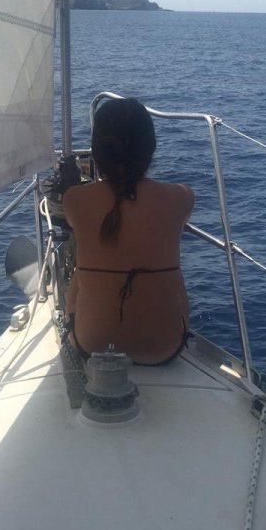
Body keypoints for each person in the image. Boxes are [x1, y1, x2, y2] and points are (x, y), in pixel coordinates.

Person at [63, 97, 193, 365]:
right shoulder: (181, 198)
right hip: (165, 348)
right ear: (151, 148)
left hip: (91, 345)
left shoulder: (74, 201)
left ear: (97, 151)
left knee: (79, 272)